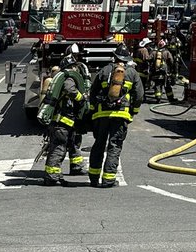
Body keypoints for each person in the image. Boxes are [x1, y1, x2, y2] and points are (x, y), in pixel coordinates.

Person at [87, 45, 143, 188]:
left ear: (115, 57)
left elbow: (93, 92)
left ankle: (93, 178)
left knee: (99, 145)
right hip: (121, 115)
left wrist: (93, 109)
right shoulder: (132, 73)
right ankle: (108, 179)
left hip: (101, 115)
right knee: (114, 146)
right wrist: (134, 111)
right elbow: (139, 95)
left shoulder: (104, 70)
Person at [38, 45, 90, 187]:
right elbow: (70, 90)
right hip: (62, 122)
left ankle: (74, 168)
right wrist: (82, 98)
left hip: (67, 121)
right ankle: (51, 176)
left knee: (72, 144)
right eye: (73, 65)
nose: (75, 68)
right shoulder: (68, 78)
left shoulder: (64, 77)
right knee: (58, 148)